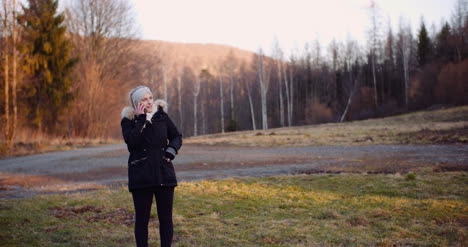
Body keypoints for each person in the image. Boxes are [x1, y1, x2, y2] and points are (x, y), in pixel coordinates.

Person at [121, 86, 182, 247]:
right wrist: (141, 119)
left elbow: (176, 136)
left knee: (166, 219)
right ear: (136, 103)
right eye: (143, 99)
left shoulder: (161, 115)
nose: (148, 102)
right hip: (141, 175)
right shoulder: (128, 120)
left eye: (150, 98)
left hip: (164, 173)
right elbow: (132, 142)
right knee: (142, 220)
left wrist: (171, 151)